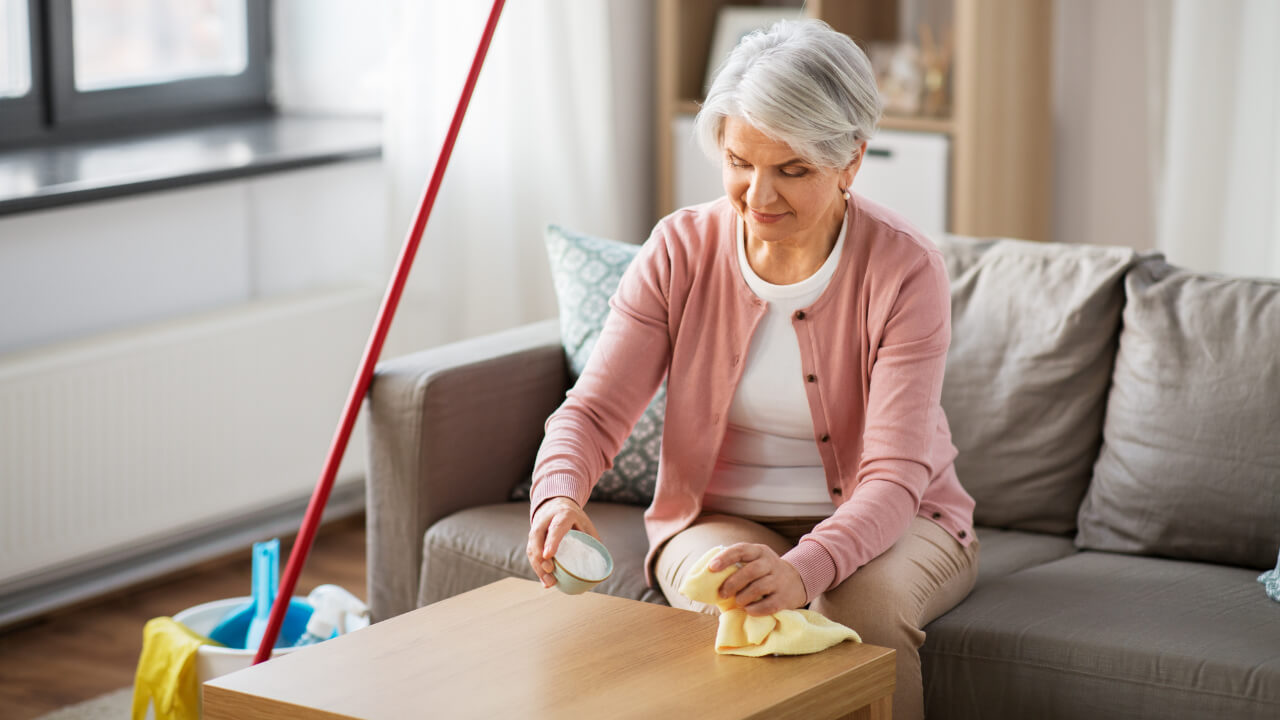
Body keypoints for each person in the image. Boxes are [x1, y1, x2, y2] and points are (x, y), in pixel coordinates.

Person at [525, 19, 977, 720]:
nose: (759, 196)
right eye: (740, 162)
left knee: (862, 618)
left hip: (904, 518)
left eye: (792, 170)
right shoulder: (679, 249)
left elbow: (893, 479)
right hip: (718, 514)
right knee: (735, 613)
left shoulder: (905, 270)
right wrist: (557, 495)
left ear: (850, 162)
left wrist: (802, 571)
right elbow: (593, 412)